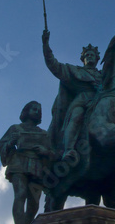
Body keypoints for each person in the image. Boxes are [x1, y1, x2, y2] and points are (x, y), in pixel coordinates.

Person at [42, 30, 102, 161]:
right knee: (76, 116)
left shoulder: (104, 75)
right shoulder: (74, 71)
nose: (90, 57)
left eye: (93, 55)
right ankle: (69, 150)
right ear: (83, 59)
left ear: (97, 59)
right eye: (87, 55)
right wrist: (45, 45)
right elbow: (53, 65)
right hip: (83, 101)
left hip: (102, 102)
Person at [0, 101, 51, 224]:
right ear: (26, 111)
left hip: (36, 165)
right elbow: (0, 145)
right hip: (19, 163)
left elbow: (52, 151)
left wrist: (45, 151)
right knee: (20, 194)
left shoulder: (44, 133)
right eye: (34, 109)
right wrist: (10, 142)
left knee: (34, 202)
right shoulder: (15, 128)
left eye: (39, 110)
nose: (37, 112)